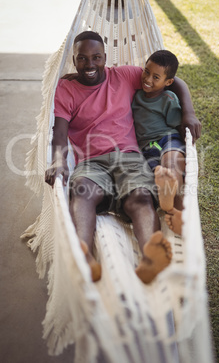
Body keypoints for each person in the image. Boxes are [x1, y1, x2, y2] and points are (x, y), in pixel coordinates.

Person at [45, 31, 201, 283]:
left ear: (105, 58)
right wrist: (58, 160)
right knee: (82, 189)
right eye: (82, 59)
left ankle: (152, 256)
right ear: (74, 61)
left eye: (96, 57)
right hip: (90, 161)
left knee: (139, 196)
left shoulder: (125, 76)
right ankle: (83, 256)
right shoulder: (65, 89)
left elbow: (174, 81)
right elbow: (60, 134)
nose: (90, 64)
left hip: (129, 156)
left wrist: (189, 113)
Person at [132, 50, 186, 235]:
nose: (148, 79)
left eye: (156, 77)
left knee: (172, 166)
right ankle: (169, 206)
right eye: (146, 71)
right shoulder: (135, 96)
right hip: (146, 148)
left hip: (167, 138)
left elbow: (178, 126)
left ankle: (179, 213)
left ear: (168, 82)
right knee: (156, 174)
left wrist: (189, 144)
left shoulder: (168, 99)